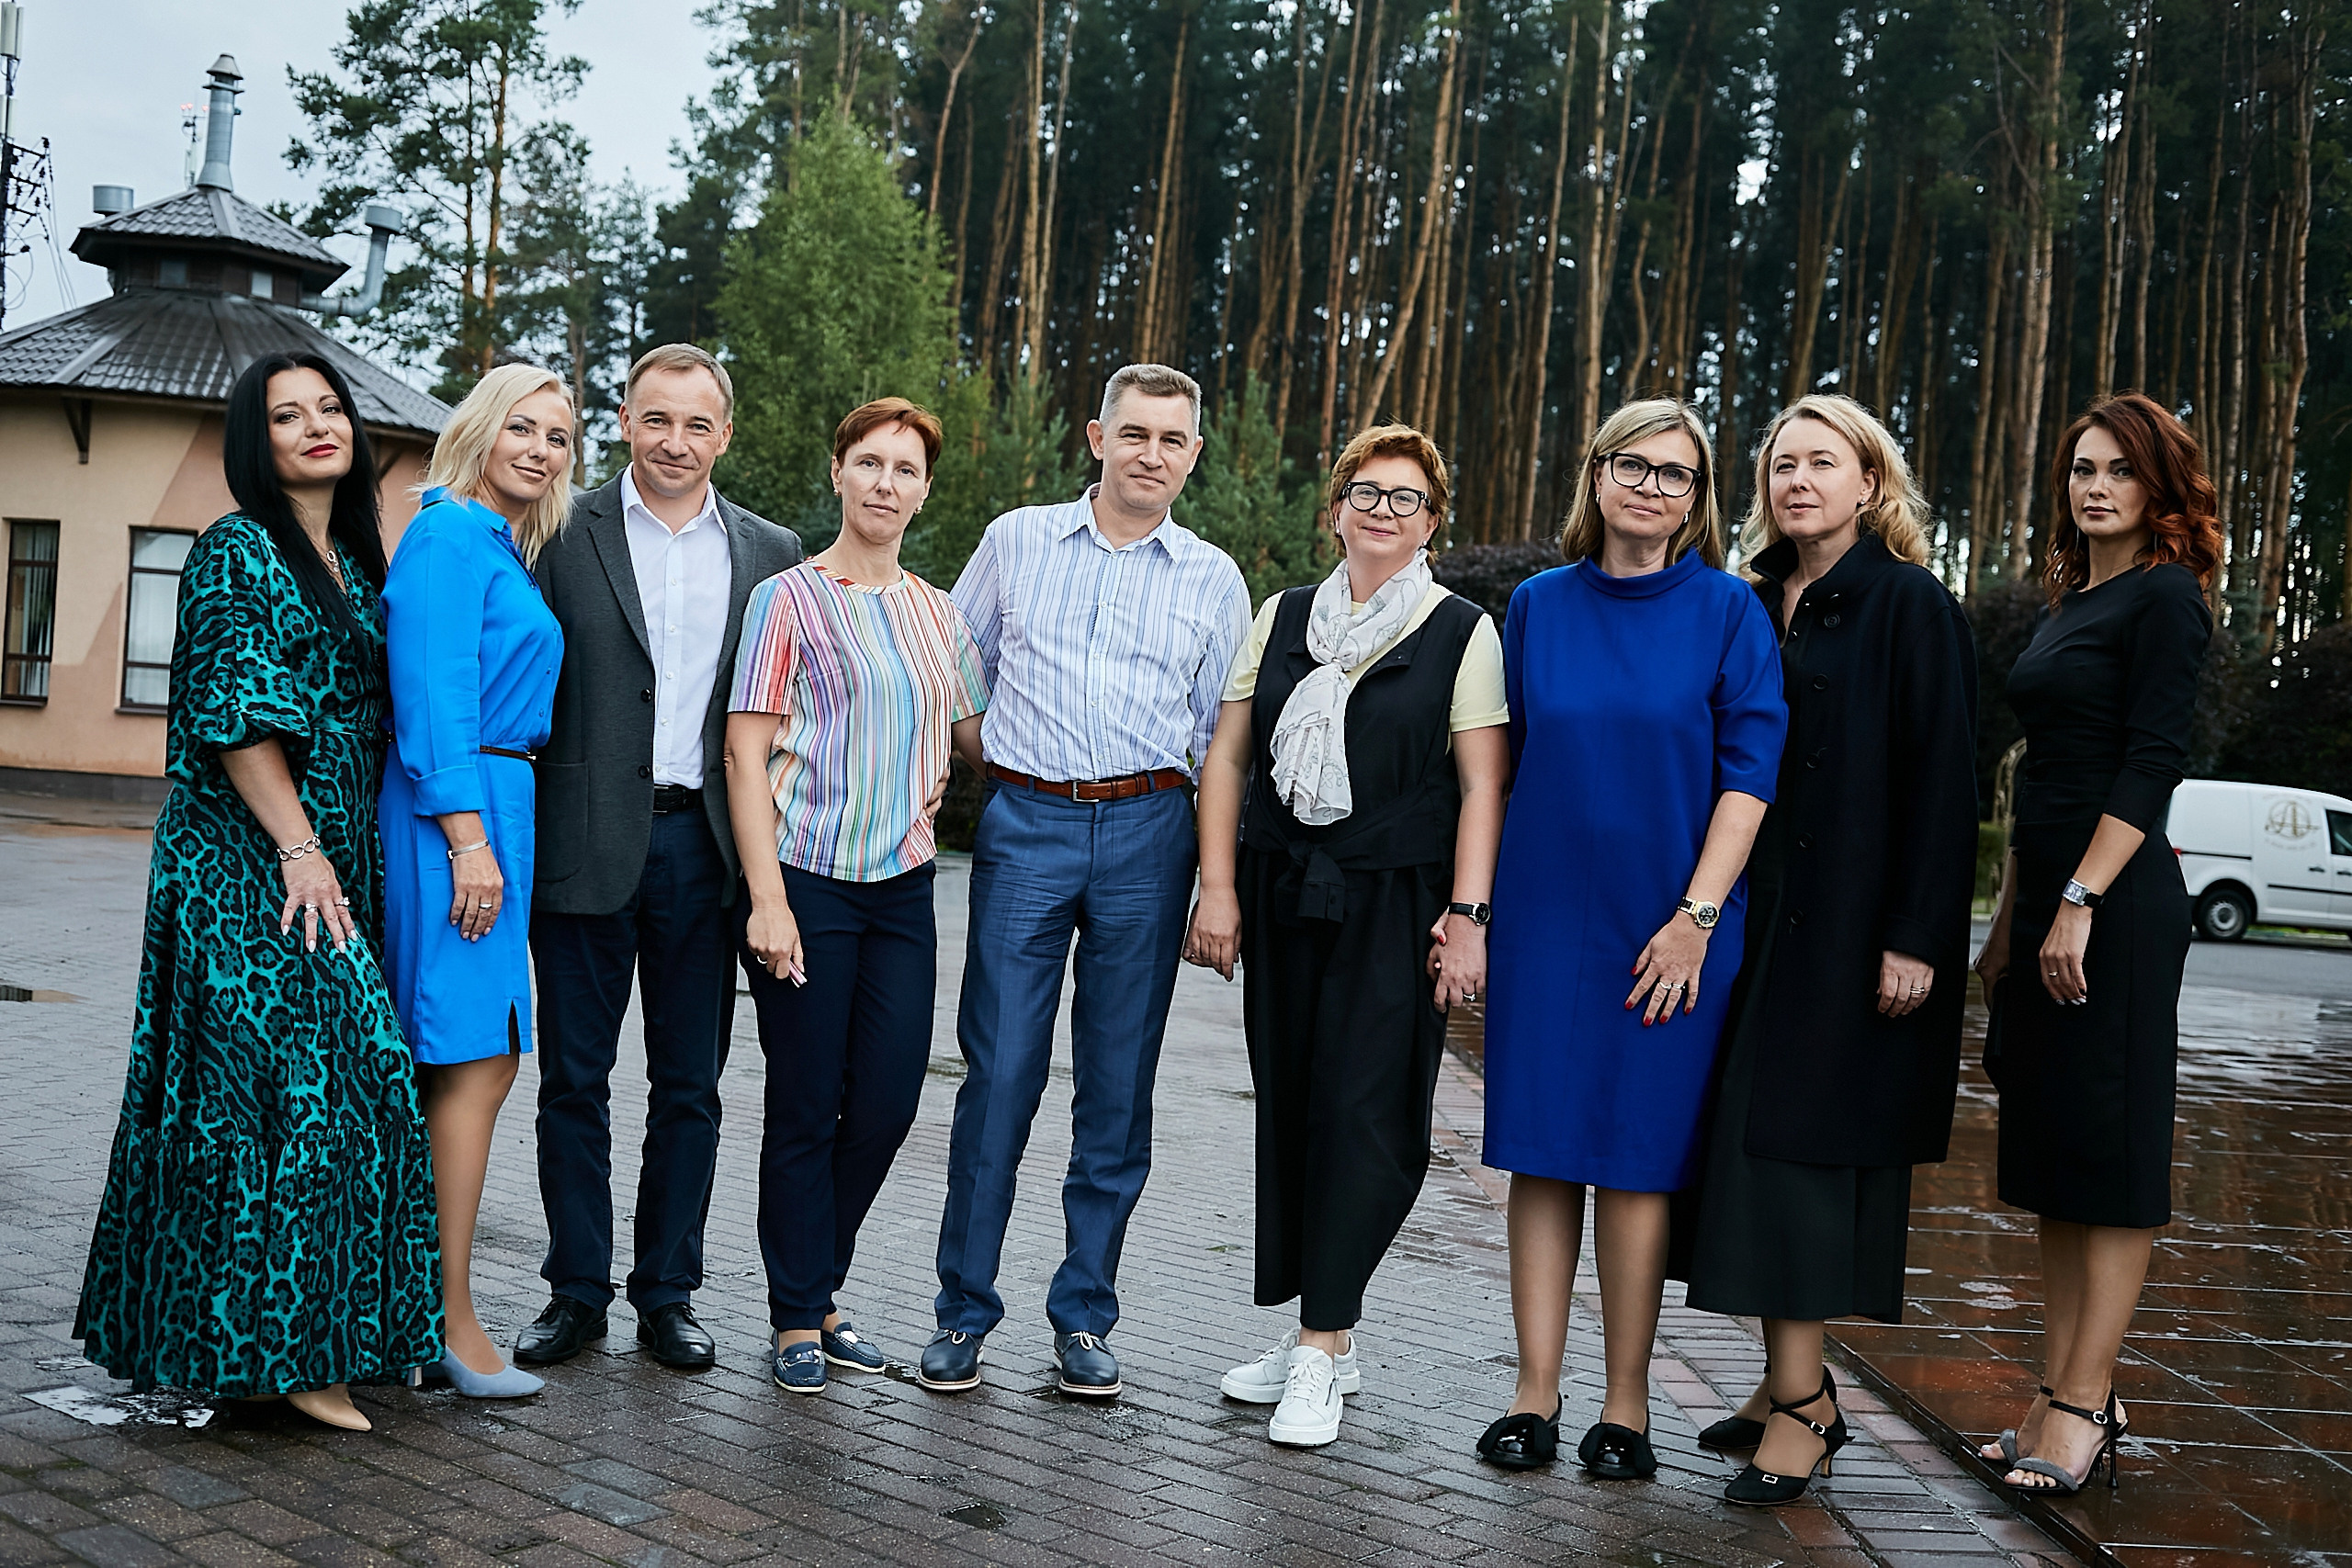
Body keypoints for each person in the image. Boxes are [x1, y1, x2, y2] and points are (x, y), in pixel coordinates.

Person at [74, 353, 441, 1432]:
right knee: (315, 1084)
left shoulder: (358, 558)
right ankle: (286, 1347)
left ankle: (282, 1339)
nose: (317, 425)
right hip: (249, 862)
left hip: (325, 860)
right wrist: (298, 848)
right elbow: (234, 714)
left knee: (289, 1093)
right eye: (288, 415)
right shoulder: (238, 547)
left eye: (329, 407)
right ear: (256, 440)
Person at [925, 363, 1251, 1399]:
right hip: (1027, 825)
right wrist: (1002, 765)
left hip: (1152, 832)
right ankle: (962, 1310)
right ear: (1097, 437)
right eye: (1134, 433)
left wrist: (1215, 880)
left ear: (1193, 456)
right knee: (1000, 1073)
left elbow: (1222, 741)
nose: (1152, 454)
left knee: (1116, 1086)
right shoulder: (1017, 539)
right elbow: (953, 669)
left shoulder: (1214, 578)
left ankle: (1083, 1317)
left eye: (1172, 439)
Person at [1677, 394, 1979, 1504]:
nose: (1796, 481)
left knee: (1795, 1166)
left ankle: (1806, 1406)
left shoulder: (1911, 605)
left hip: (1852, 935)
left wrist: (1916, 938)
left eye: (1821, 462)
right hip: (1750, 923)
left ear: (1869, 483)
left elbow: (1945, 786)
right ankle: (1782, 1385)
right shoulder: (1750, 600)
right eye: (1780, 464)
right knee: (1745, 1157)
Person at [1477, 398, 1785, 1476]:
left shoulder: (1730, 612)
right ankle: (1532, 1394)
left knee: (1636, 1161)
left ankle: (1625, 1408)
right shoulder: (1536, 606)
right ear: (1596, 475)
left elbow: (1749, 781)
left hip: (1671, 929)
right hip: (1544, 922)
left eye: (1675, 473)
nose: (1651, 487)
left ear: (1697, 500)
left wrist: (1695, 919)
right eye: (1632, 465)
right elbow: (1501, 767)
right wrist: (1477, 912)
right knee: (1540, 1152)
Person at [1186, 424, 1508, 1448]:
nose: (1382, 510)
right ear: (1335, 509)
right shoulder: (1282, 616)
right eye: (1366, 492)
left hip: (1397, 903)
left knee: (1368, 1115)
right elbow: (1228, 758)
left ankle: (1320, 1348)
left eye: (1406, 498)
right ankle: (1325, 1333)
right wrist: (1218, 888)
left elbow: (1482, 784)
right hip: (1284, 892)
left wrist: (1468, 916)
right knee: (1294, 1105)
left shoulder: (1462, 631)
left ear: (1431, 523)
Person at [518, 344, 803, 1372]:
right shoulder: (561, 531)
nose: (674, 442)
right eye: (656, 419)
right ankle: (575, 1291)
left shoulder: (772, 552)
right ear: (625, 423)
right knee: (573, 1083)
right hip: (583, 841)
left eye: (695, 423)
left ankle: (668, 1293)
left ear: (725, 433)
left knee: (690, 1086)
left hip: (705, 847)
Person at [1972, 392, 2220, 1497]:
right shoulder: (2074, 598)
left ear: (2158, 484)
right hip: (2048, 899)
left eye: (2119, 469)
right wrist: (2009, 918)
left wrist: (2078, 898)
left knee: (2111, 1160)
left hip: (2114, 905)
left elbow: (2150, 760)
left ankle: (2084, 1403)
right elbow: (2043, 775)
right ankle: (2058, 1389)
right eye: (2082, 467)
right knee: (2058, 1161)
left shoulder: (2165, 596)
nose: (2095, 486)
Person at [723, 399, 989, 1394]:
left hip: (903, 889)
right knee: (804, 1102)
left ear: (926, 491)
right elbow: (745, 751)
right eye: (869, 462)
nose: (885, 482)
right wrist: (766, 899)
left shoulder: (940, 613)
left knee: (884, 1103)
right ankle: (801, 1312)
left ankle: (816, 1281)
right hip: (804, 878)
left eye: (905, 469)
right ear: (838, 471)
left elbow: (980, 739)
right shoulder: (786, 599)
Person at [380, 363, 573, 1400]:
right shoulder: (449, 535)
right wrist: (466, 838)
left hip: (500, 803)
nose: (540, 450)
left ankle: (414, 1311)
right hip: (456, 813)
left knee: (475, 1058)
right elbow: (432, 695)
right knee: (469, 1056)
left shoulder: (497, 544)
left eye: (558, 437)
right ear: (480, 430)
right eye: (522, 428)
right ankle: (447, 1321)